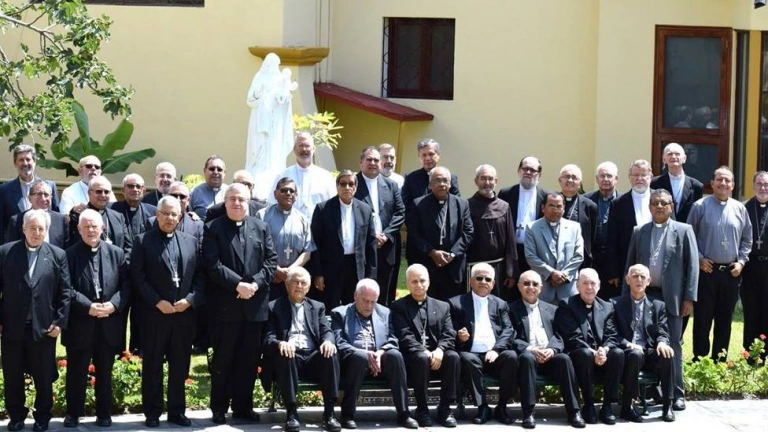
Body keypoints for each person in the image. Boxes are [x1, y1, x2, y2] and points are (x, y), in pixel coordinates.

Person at [202, 183, 277, 425]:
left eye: (242, 199)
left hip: (254, 306)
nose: (237, 203)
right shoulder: (213, 228)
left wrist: (254, 284)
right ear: (225, 202)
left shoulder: (261, 227)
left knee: (249, 360)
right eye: (232, 199)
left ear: (249, 202)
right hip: (226, 306)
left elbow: (271, 262)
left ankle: (243, 407)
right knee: (223, 360)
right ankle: (219, 408)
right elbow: (212, 265)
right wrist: (238, 285)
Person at [624, 189, 698, 411]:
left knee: (672, 344)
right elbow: (630, 265)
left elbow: (693, 267)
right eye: (655, 203)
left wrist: (689, 298)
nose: (659, 206)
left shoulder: (684, 230)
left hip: (672, 298)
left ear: (671, 207)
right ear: (649, 207)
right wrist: (626, 295)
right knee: (644, 342)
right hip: (644, 296)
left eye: (664, 203)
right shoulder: (640, 231)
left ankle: (676, 394)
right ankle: (652, 392)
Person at [132, 196, 202, 428]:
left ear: (180, 216)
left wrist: (190, 300)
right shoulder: (143, 241)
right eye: (166, 214)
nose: (170, 218)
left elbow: (200, 277)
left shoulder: (191, 242)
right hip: (155, 315)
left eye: (174, 214)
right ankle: (152, 412)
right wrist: (157, 301)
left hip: (183, 315)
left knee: (180, 365)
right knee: (152, 365)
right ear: (157, 215)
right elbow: (138, 277)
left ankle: (177, 411)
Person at [0, 209, 71, 432]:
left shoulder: (58, 255)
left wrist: (59, 322)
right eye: (32, 228)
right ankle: (16, 416)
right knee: (13, 375)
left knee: (43, 376)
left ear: (46, 231)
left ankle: (42, 416)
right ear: (23, 229)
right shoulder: (5, 252)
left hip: (44, 327)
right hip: (12, 327)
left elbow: (65, 292)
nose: (36, 233)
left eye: (41, 229)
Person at [63, 209, 129, 428]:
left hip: (108, 323)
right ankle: (73, 413)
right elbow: (66, 288)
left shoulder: (117, 253)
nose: (91, 230)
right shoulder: (69, 255)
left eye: (94, 226)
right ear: (79, 229)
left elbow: (126, 285)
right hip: (80, 323)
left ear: (102, 228)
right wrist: (88, 307)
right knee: (76, 372)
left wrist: (114, 305)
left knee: (105, 372)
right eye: (86, 227)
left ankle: (104, 413)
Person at [330, 279, 418, 429]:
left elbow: (393, 338)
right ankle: (348, 414)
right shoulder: (340, 313)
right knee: (360, 357)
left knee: (395, 356)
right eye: (365, 301)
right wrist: (365, 354)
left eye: (373, 302)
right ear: (355, 296)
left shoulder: (385, 312)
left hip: (379, 361)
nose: (369, 306)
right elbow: (340, 343)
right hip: (353, 363)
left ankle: (404, 413)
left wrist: (380, 353)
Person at [686, 166, 752, 361]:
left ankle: (720, 359)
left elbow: (747, 239)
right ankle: (699, 359)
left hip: (731, 273)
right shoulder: (700, 206)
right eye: (719, 179)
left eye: (727, 180)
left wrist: (741, 262)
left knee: (725, 319)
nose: (723, 183)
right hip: (706, 271)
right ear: (712, 183)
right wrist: (699, 258)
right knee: (703, 318)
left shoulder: (740, 208)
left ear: (733, 185)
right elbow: (689, 237)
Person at [264, 267, 341, 432]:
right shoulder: (274, 307)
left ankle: (330, 414)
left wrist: (328, 341)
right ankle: (291, 413)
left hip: (312, 357)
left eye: (303, 283)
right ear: (287, 285)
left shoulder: (317, 307)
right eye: (295, 282)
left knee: (330, 354)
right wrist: (280, 343)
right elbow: (268, 338)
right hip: (290, 358)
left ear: (308, 287)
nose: (299, 286)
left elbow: (327, 331)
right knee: (286, 354)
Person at [509, 270, 585, 429]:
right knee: (527, 358)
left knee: (564, 359)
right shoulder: (511, 309)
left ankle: (574, 411)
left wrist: (553, 349)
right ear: (519, 286)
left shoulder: (552, 309)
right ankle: (528, 413)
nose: (531, 287)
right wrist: (530, 349)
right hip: (528, 356)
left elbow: (560, 334)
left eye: (535, 284)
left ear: (541, 288)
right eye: (526, 283)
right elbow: (510, 338)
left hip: (549, 355)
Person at [390, 264, 460, 428]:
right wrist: (425, 351)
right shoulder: (399, 307)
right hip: (413, 357)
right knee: (421, 358)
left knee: (453, 357)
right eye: (414, 281)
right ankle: (422, 409)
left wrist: (440, 350)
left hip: (437, 355)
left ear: (428, 282)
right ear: (407, 284)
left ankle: (445, 408)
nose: (419, 285)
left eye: (422, 281)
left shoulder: (442, 306)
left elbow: (449, 333)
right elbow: (404, 335)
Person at [448, 263, 518, 425]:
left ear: (493, 284)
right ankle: (482, 407)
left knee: (511, 356)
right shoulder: (456, 303)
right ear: (471, 281)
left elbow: (509, 330)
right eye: (479, 278)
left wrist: (497, 349)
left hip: (495, 354)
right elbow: (450, 331)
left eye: (488, 279)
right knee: (467, 358)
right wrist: (460, 337)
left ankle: (502, 407)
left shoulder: (501, 304)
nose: (483, 282)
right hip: (471, 354)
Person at [555, 268, 624, 425]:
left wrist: (604, 350)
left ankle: (607, 406)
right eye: (585, 283)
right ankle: (589, 404)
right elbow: (572, 336)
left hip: (601, 354)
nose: (589, 287)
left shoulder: (607, 306)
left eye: (593, 283)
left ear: (599, 286)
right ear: (577, 286)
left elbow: (612, 335)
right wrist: (594, 352)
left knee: (618, 353)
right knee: (585, 354)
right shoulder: (567, 304)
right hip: (579, 354)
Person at [611, 264, 676, 423]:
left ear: (648, 281)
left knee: (667, 355)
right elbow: (612, 333)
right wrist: (628, 344)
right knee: (635, 354)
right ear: (627, 280)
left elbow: (663, 331)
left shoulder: (658, 305)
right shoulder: (615, 304)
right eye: (635, 276)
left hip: (648, 352)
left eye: (642, 277)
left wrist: (662, 343)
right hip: (627, 353)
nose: (639, 280)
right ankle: (627, 406)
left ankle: (667, 405)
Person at [311, 170, 377, 309]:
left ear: (356, 187)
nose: (347, 187)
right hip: (331, 269)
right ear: (337, 186)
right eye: (343, 184)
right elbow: (315, 243)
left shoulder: (365, 210)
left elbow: (371, 245)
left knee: (353, 307)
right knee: (330, 308)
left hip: (355, 268)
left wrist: (370, 276)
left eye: (351, 184)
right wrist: (317, 273)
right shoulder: (323, 209)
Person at [406, 167, 473, 301]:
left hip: (453, 265)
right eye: (437, 180)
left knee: (452, 305)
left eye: (445, 181)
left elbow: (468, 232)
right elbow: (413, 233)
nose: (442, 184)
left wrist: (453, 254)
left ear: (450, 184)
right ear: (430, 184)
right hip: (428, 263)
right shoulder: (418, 204)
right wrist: (432, 252)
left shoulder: (462, 204)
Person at [355, 146, 405, 304]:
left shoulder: (391, 185)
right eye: (369, 159)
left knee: (384, 294)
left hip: (386, 248)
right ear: (361, 162)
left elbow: (400, 212)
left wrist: (386, 235)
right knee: (361, 291)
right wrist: (371, 236)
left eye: (376, 160)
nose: (373, 163)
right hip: (361, 248)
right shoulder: (352, 184)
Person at [246, 53, 298, 201]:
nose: (273, 67)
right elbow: (250, 99)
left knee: (274, 147)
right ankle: (259, 170)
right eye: (271, 64)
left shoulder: (280, 79)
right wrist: (259, 92)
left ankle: (273, 171)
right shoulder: (259, 77)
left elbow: (285, 98)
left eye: (276, 64)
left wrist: (283, 97)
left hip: (276, 122)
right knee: (260, 145)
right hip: (261, 118)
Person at [498, 156, 547, 300]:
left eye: (533, 170)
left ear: (539, 174)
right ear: (519, 171)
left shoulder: (545, 196)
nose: (528, 172)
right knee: (511, 294)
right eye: (525, 168)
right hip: (512, 251)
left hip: (535, 253)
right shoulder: (506, 193)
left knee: (532, 292)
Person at [466, 164, 518, 300]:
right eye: (483, 178)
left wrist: (511, 271)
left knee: (497, 304)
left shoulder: (504, 206)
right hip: (474, 268)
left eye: (490, 179)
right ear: (476, 181)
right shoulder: (467, 205)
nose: (487, 182)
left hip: (499, 269)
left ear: (496, 181)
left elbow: (511, 240)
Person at [257, 177, 313, 300]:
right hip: (269, 278)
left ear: (296, 195)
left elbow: (307, 251)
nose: (288, 193)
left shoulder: (303, 219)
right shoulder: (262, 215)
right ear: (275, 194)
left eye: (292, 191)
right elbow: (257, 249)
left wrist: (290, 272)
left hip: (294, 281)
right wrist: (276, 270)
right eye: (284, 190)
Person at [606, 159, 654, 300]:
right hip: (628, 261)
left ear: (650, 177)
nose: (639, 178)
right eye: (635, 175)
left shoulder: (661, 199)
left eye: (643, 175)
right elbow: (612, 238)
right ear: (629, 178)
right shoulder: (618, 203)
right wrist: (613, 272)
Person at [524, 193, 584, 304]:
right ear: (543, 208)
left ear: (564, 208)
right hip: (543, 287)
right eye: (551, 206)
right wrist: (551, 273)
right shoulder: (532, 228)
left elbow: (579, 256)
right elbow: (530, 256)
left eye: (559, 206)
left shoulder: (574, 227)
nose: (555, 210)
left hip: (568, 287)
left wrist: (563, 275)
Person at [268, 132, 336, 219]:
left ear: (313, 149)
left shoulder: (325, 177)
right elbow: (272, 204)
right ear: (294, 149)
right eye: (300, 145)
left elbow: (334, 206)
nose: (304, 149)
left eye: (307, 146)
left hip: (319, 225)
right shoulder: (283, 176)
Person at [0, 145, 59, 242]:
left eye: (28, 159)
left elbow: (57, 218)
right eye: (21, 160)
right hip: (17, 246)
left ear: (34, 162)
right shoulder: (4, 190)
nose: (25, 163)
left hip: (46, 244)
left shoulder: (49, 186)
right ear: (15, 163)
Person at [68, 176, 132, 256]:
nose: (103, 195)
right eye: (99, 191)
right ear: (89, 193)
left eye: (106, 192)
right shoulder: (79, 216)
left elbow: (128, 246)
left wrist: (122, 262)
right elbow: (73, 245)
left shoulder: (118, 217)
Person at [742, 171, 768, 359]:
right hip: (750, 267)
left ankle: (765, 354)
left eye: (766, 184)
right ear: (753, 186)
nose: (763, 188)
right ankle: (751, 354)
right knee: (751, 310)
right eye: (759, 184)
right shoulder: (744, 208)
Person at [584, 161, 621, 286]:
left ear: (616, 179)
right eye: (602, 176)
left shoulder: (624, 202)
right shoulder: (586, 200)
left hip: (615, 262)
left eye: (609, 176)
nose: (605, 179)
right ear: (596, 179)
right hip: (591, 261)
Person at [401, 138, 460, 214]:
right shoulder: (411, 178)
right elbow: (406, 205)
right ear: (419, 157)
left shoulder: (450, 177)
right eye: (424, 155)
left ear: (438, 155)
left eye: (431, 154)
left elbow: (455, 203)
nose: (427, 158)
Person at [651, 143, 703, 223]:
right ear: (664, 159)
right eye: (670, 154)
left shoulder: (696, 186)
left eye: (677, 154)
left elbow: (697, 215)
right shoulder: (654, 183)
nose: (673, 156)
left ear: (684, 158)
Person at [6, 180, 68, 248]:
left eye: (46, 194)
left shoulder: (60, 220)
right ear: (29, 198)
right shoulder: (17, 221)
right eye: (39, 194)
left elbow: (65, 248)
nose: (43, 199)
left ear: (51, 198)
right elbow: (10, 249)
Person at [557, 164, 597, 269]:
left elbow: (592, 236)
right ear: (559, 180)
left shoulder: (590, 206)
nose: (570, 180)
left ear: (580, 183)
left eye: (574, 177)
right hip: (554, 258)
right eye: (566, 176)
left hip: (580, 261)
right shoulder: (550, 202)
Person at [110, 173, 156, 241]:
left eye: (138, 186)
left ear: (143, 191)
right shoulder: (112, 209)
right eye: (130, 186)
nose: (135, 189)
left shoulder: (152, 211)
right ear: (123, 190)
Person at [189, 155, 227, 220]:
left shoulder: (230, 192)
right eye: (212, 169)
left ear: (224, 172)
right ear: (204, 171)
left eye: (219, 169)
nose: (215, 172)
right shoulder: (194, 192)